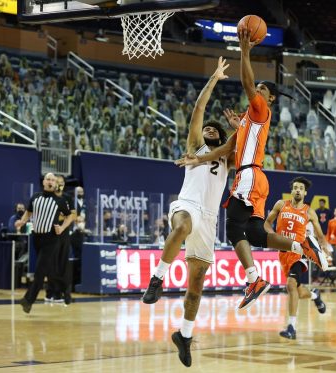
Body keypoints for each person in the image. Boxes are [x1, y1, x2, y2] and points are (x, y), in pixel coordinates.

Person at [178, 29, 327, 311]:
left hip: (248, 175)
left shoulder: (259, 110)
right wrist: (199, 158)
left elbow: (246, 83)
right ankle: (299, 246)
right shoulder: (248, 120)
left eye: (262, 90)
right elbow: (224, 151)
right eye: (257, 90)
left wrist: (245, 51)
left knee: (234, 227)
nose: (256, 91)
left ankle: (254, 279)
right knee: (256, 233)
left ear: (269, 99)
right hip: (255, 177)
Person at [140, 57, 232, 368]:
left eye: (212, 129)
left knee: (195, 289)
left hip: (209, 219)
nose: (207, 128)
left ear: (219, 137)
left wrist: (238, 127)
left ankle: (185, 335)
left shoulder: (226, 157)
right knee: (180, 227)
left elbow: (246, 143)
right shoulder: (195, 146)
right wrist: (214, 79)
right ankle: (157, 279)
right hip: (186, 205)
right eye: (206, 128)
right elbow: (198, 110)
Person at [264, 177, 329, 339]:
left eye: (301, 188)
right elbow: (267, 223)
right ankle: (314, 295)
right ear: (292, 191)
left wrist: (325, 249)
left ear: (305, 193)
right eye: (295, 187)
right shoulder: (281, 205)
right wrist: (273, 236)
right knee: (298, 291)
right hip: (283, 253)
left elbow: (320, 235)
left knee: (291, 285)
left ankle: (291, 327)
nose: (298, 190)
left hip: (299, 253)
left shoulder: (309, 212)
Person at [15, 173, 75, 314]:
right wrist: (22, 221)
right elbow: (29, 212)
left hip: (51, 239)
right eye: (48, 179)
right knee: (46, 269)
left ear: (55, 184)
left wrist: (62, 227)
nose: (51, 182)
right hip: (37, 237)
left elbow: (71, 215)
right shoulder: (35, 197)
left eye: (53, 180)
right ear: (44, 182)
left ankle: (28, 300)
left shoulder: (59, 200)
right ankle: (64, 290)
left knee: (40, 271)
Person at [46, 175, 77, 304]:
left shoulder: (68, 198)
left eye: (62, 182)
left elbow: (73, 215)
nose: (59, 184)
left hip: (63, 234)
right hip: (50, 233)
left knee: (62, 263)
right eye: (57, 182)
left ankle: (61, 293)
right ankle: (51, 292)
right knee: (51, 264)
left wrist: (63, 224)